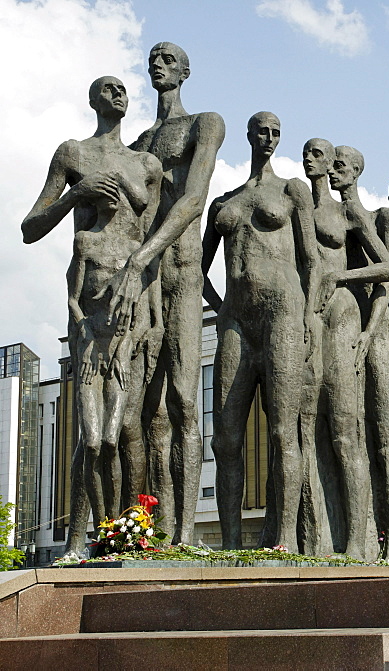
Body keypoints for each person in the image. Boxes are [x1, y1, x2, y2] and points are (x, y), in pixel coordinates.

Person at [22, 76, 162, 556]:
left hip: (131, 308)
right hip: (88, 310)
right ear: (92, 99)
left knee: (125, 429)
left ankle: (131, 532)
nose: (119, 93)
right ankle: (92, 536)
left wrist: (153, 312)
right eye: (108, 88)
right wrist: (75, 194)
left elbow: (151, 236)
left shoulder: (143, 163)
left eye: (124, 88)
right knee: (92, 435)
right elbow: (29, 228)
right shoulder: (73, 153)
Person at [110, 42, 225, 543]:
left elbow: (194, 198)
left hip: (179, 267)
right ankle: (148, 526)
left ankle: (184, 533)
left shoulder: (205, 123)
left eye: (169, 58)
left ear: (186, 69)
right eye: (152, 58)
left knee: (182, 397)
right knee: (145, 408)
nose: (158, 64)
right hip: (144, 275)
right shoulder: (137, 142)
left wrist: (144, 254)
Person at [202, 112, 319, 550]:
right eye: (262, 132)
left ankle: (283, 539)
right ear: (249, 136)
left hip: (281, 313)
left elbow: (310, 261)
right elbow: (198, 269)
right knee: (226, 438)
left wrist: (307, 318)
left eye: (276, 133)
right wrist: (221, 308)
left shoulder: (291, 191)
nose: (269, 138)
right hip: (236, 320)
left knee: (281, 431)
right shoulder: (224, 202)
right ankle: (230, 544)